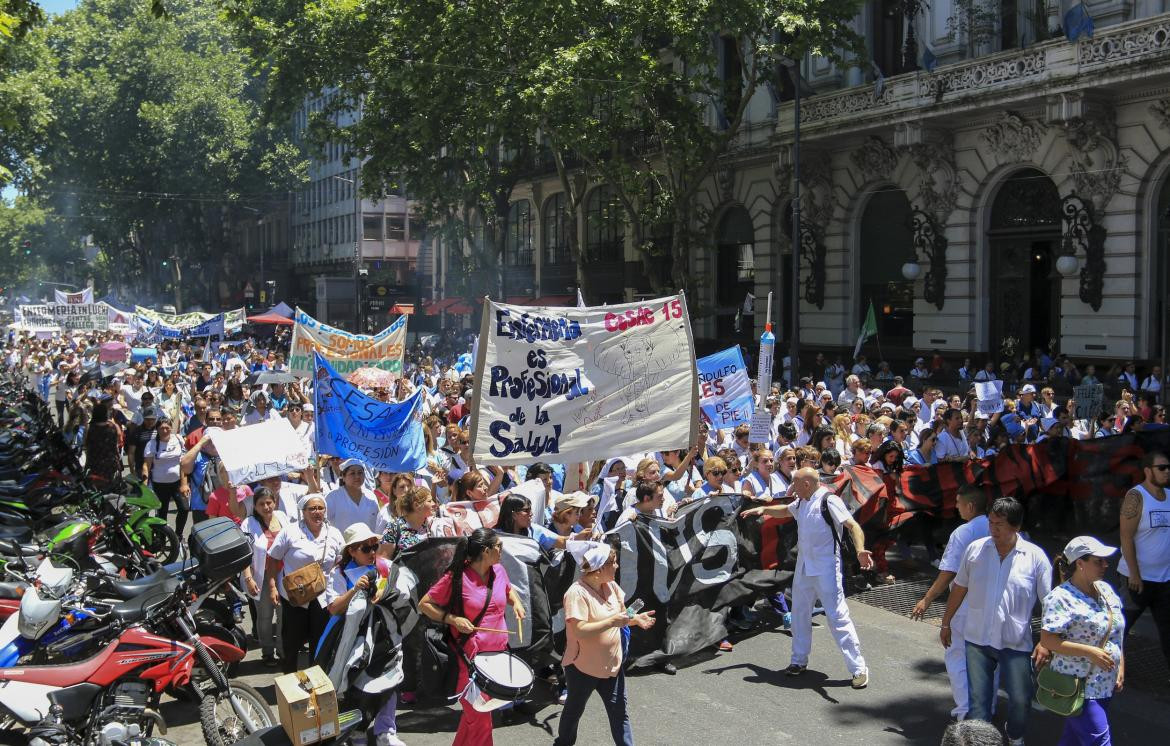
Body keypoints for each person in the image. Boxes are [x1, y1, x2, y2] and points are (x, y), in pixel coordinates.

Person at [740, 467, 873, 688]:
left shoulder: (829, 501)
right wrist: (763, 509)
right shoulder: (802, 500)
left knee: (837, 618)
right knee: (800, 615)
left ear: (807, 485)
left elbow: (853, 526)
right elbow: (786, 510)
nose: (791, 487)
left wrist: (860, 550)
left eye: (795, 483)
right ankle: (798, 661)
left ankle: (858, 668)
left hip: (827, 570)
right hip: (804, 569)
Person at [940, 497, 1052, 746]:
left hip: (1016, 643)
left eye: (999, 524)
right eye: (991, 522)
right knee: (978, 701)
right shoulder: (976, 549)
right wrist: (946, 623)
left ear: (1016, 527)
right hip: (977, 639)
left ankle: (1014, 735)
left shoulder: (1035, 558)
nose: (993, 529)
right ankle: (979, 742)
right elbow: (959, 588)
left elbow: (1049, 604)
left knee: (1020, 699)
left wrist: (1045, 642)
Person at [417, 529, 526, 746]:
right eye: (499, 547)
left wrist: (517, 603)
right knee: (480, 718)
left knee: (474, 719)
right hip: (469, 660)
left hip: (497, 656)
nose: (502, 551)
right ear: (486, 551)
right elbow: (424, 605)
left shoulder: (499, 571)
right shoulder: (456, 577)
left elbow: (507, 590)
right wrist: (453, 619)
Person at [553, 541, 656, 746]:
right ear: (600, 568)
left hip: (612, 666)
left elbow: (622, 614)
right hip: (583, 668)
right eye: (614, 563)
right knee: (574, 711)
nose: (617, 566)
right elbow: (579, 630)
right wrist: (611, 622)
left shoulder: (610, 586)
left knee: (620, 713)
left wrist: (635, 619)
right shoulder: (576, 593)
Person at [911, 487, 990, 720]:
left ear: (970, 506)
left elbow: (948, 572)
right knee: (986, 656)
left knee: (957, 655)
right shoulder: (998, 528)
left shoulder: (963, 532)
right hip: (993, 602)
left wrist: (926, 599)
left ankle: (966, 710)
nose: (956, 507)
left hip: (965, 603)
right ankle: (987, 706)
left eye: (958, 503)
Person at [1040, 536, 1126, 746]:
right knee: (1099, 741)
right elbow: (1048, 640)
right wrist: (1089, 652)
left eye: (1105, 560)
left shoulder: (1105, 590)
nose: (1106, 565)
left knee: (1072, 740)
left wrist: (1121, 665)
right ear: (1080, 563)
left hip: (1104, 682)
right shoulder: (1059, 598)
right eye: (1098, 561)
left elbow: (1116, 633)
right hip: (1079, 686)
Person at [325, 523, 403, 746]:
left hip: (385, 634)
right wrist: (354, 590)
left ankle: (385, 730)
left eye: (374, 546)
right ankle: (356, 731)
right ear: (351, 550)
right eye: (365, 548)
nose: (372, 552)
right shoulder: (339, 573)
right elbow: (334, 608)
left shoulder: (385, 566)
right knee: (357, 685)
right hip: (353, 641)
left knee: (390, 679)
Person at [266, 493, 343, 674]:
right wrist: (271, 586)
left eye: (320, 508)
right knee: (292, 641)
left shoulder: (334, 534)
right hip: (294, 596)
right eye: (312, 508)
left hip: (323, 597)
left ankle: (317, 681)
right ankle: (289, 681)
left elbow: (340, 562)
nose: (317, 512)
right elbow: (273, 559)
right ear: (304, 512)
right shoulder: (290, 532)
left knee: (319, 641)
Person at [1117, 450, 1170, 671]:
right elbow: (1126, 537)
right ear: (1148, 471)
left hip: (1165, 580)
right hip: (1136, 580)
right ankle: (1106, 669)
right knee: (1119, 628)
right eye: (1162, 468)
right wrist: (1134, 573)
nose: (1167, 472)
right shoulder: (1136, 497)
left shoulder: (1169, 496)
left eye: (1169, 468)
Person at [240, 486, 287, 667]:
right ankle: (267, 652)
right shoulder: (248, 524)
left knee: (284, 615)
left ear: (274, 502)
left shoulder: (282, 518)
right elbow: (244, 554)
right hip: (261, 575)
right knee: (265, 615)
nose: (266, 507)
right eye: (262, 504)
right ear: (255, 506)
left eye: (269, 503)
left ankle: (283, 649)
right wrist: (248, 578)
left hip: (284, 574)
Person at [141, 416, 186, 532]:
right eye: (161, 428)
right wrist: (144, 486)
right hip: (160, 484)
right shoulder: (151, 444)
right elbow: (146, 466)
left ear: (171, 428)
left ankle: (178, 535)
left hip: (176, 483)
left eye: (167, 428)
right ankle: (162, 537)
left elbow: (183, 462)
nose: (165, 431)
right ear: (157, 429)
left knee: (184, 508)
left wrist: (184, 483)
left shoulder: (178, 439)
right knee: (162, 513)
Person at [326, 458, 386, 536]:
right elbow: (325, 523)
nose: (357, 476)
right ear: (343, 477)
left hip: (369, 544)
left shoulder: (370, 496)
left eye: (360, 473)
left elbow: (377, 522)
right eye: (352, 473)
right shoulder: (333, 497)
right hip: (343, 545)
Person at [379, 485, 437, 560]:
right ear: (416, 505)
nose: (434, 504)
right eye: (429, 501)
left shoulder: (432, 525)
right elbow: (383, 561)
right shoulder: (394, 527)